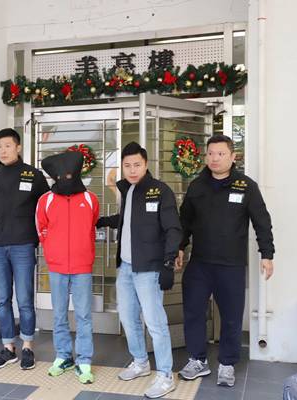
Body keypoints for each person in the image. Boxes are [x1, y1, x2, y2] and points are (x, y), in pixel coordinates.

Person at [176, 134, 274, 387]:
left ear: (232, 156)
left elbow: (262, 221)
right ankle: (197, 360)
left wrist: (266, 254)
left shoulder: (246, 186)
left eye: (220, 153)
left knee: (231, 316)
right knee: (193, 313)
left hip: (231, 265)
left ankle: (227, 364)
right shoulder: (197, 186)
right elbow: (185, 220)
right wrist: (179, 247)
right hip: (200, 263)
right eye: (210, 153)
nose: (215, 158)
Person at [97, 142, 181, 399]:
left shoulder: (160, 191)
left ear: (146, 164)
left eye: (136, 164)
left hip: (149, 269)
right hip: (126, 268)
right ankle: (141, 362)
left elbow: (172, 228)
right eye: (127, 165)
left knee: (155, 323)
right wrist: (101, 221)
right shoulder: (128, 190)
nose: (132, 170)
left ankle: (165, 376)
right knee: (128, 318)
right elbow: (129, 222)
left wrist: (168, 263)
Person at [0, 128, 49, 370]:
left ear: (18, 147)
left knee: (24, 300)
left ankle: (27, 347)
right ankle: (8, 348)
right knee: (2, 300)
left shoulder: (33, 175)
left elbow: (46, 209)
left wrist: (42, 239)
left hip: (23, 244)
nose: (3, 150)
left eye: (8, 145)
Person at [35, 151, 99, 384]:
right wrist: (53, 250)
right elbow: (41, 228)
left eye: (70, 175)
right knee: (59, 314)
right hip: (56, 266)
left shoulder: (90, 198)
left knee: (84, 315)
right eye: (60, 176)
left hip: (82, 265)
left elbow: (92, 225)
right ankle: (63, 356)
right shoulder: (46, 200)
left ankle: (84, 360)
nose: (65, 178)